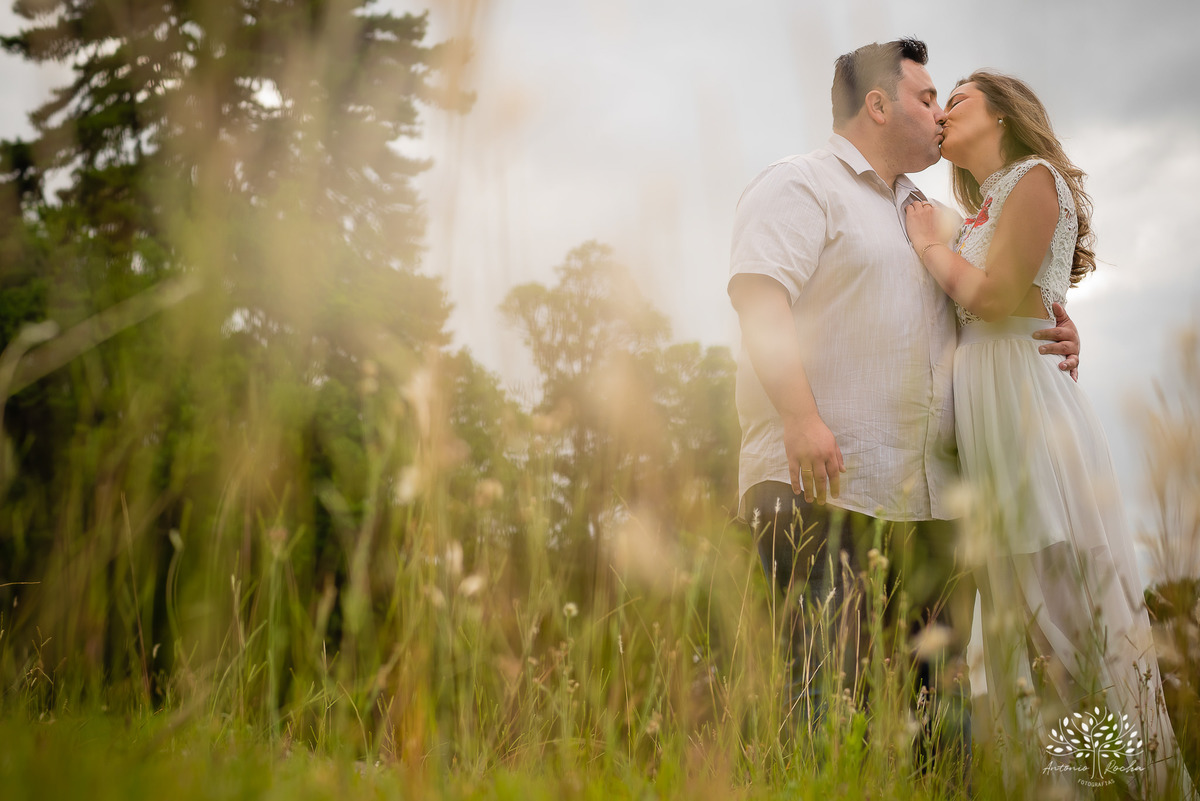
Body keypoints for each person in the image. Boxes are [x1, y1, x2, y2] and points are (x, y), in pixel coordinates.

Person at [727, 39, 1081, 775]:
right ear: (878, 104)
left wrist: (1054, 320)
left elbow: (993, 303)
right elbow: (759, 295)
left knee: (940, 744)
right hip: (823, 490)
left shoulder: (938, 220)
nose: (940, 112)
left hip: (935, 516)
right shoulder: (802, 183)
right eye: (928, 98)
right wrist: (799, 415)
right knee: (821, 716)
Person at [904, 70, 1194, 798]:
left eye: (959, 99)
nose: (943, 111)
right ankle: (1060, 785)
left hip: (1024, 409)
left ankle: (1126, 785)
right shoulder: (975, 209)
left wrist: (927, 247)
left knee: (1067, 625)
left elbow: (1000, 298)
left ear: (1003, 115)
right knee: (1022, 632)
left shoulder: (1032, 176)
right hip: (989, 410)